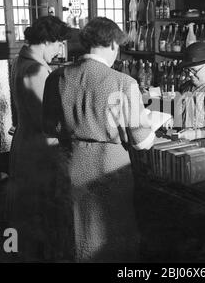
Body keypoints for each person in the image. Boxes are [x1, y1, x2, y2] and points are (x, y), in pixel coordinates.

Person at [42, 17, 171, 262]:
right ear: (113, 44)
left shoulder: (56, 77)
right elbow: (142, 142)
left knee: (76, 232)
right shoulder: (123, 82)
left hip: (70, 164)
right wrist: (152, 122)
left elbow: (49, 128)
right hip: (109, 168)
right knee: (111, 235)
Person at [8, 16, 73, 262]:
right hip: (40, 149)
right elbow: (46, 120)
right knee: (43, 214)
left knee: (30, 213)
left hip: (27, 143)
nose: (60, 51)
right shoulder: (35, 69)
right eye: (58, 44)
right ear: (46, 41)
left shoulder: (22, 61)